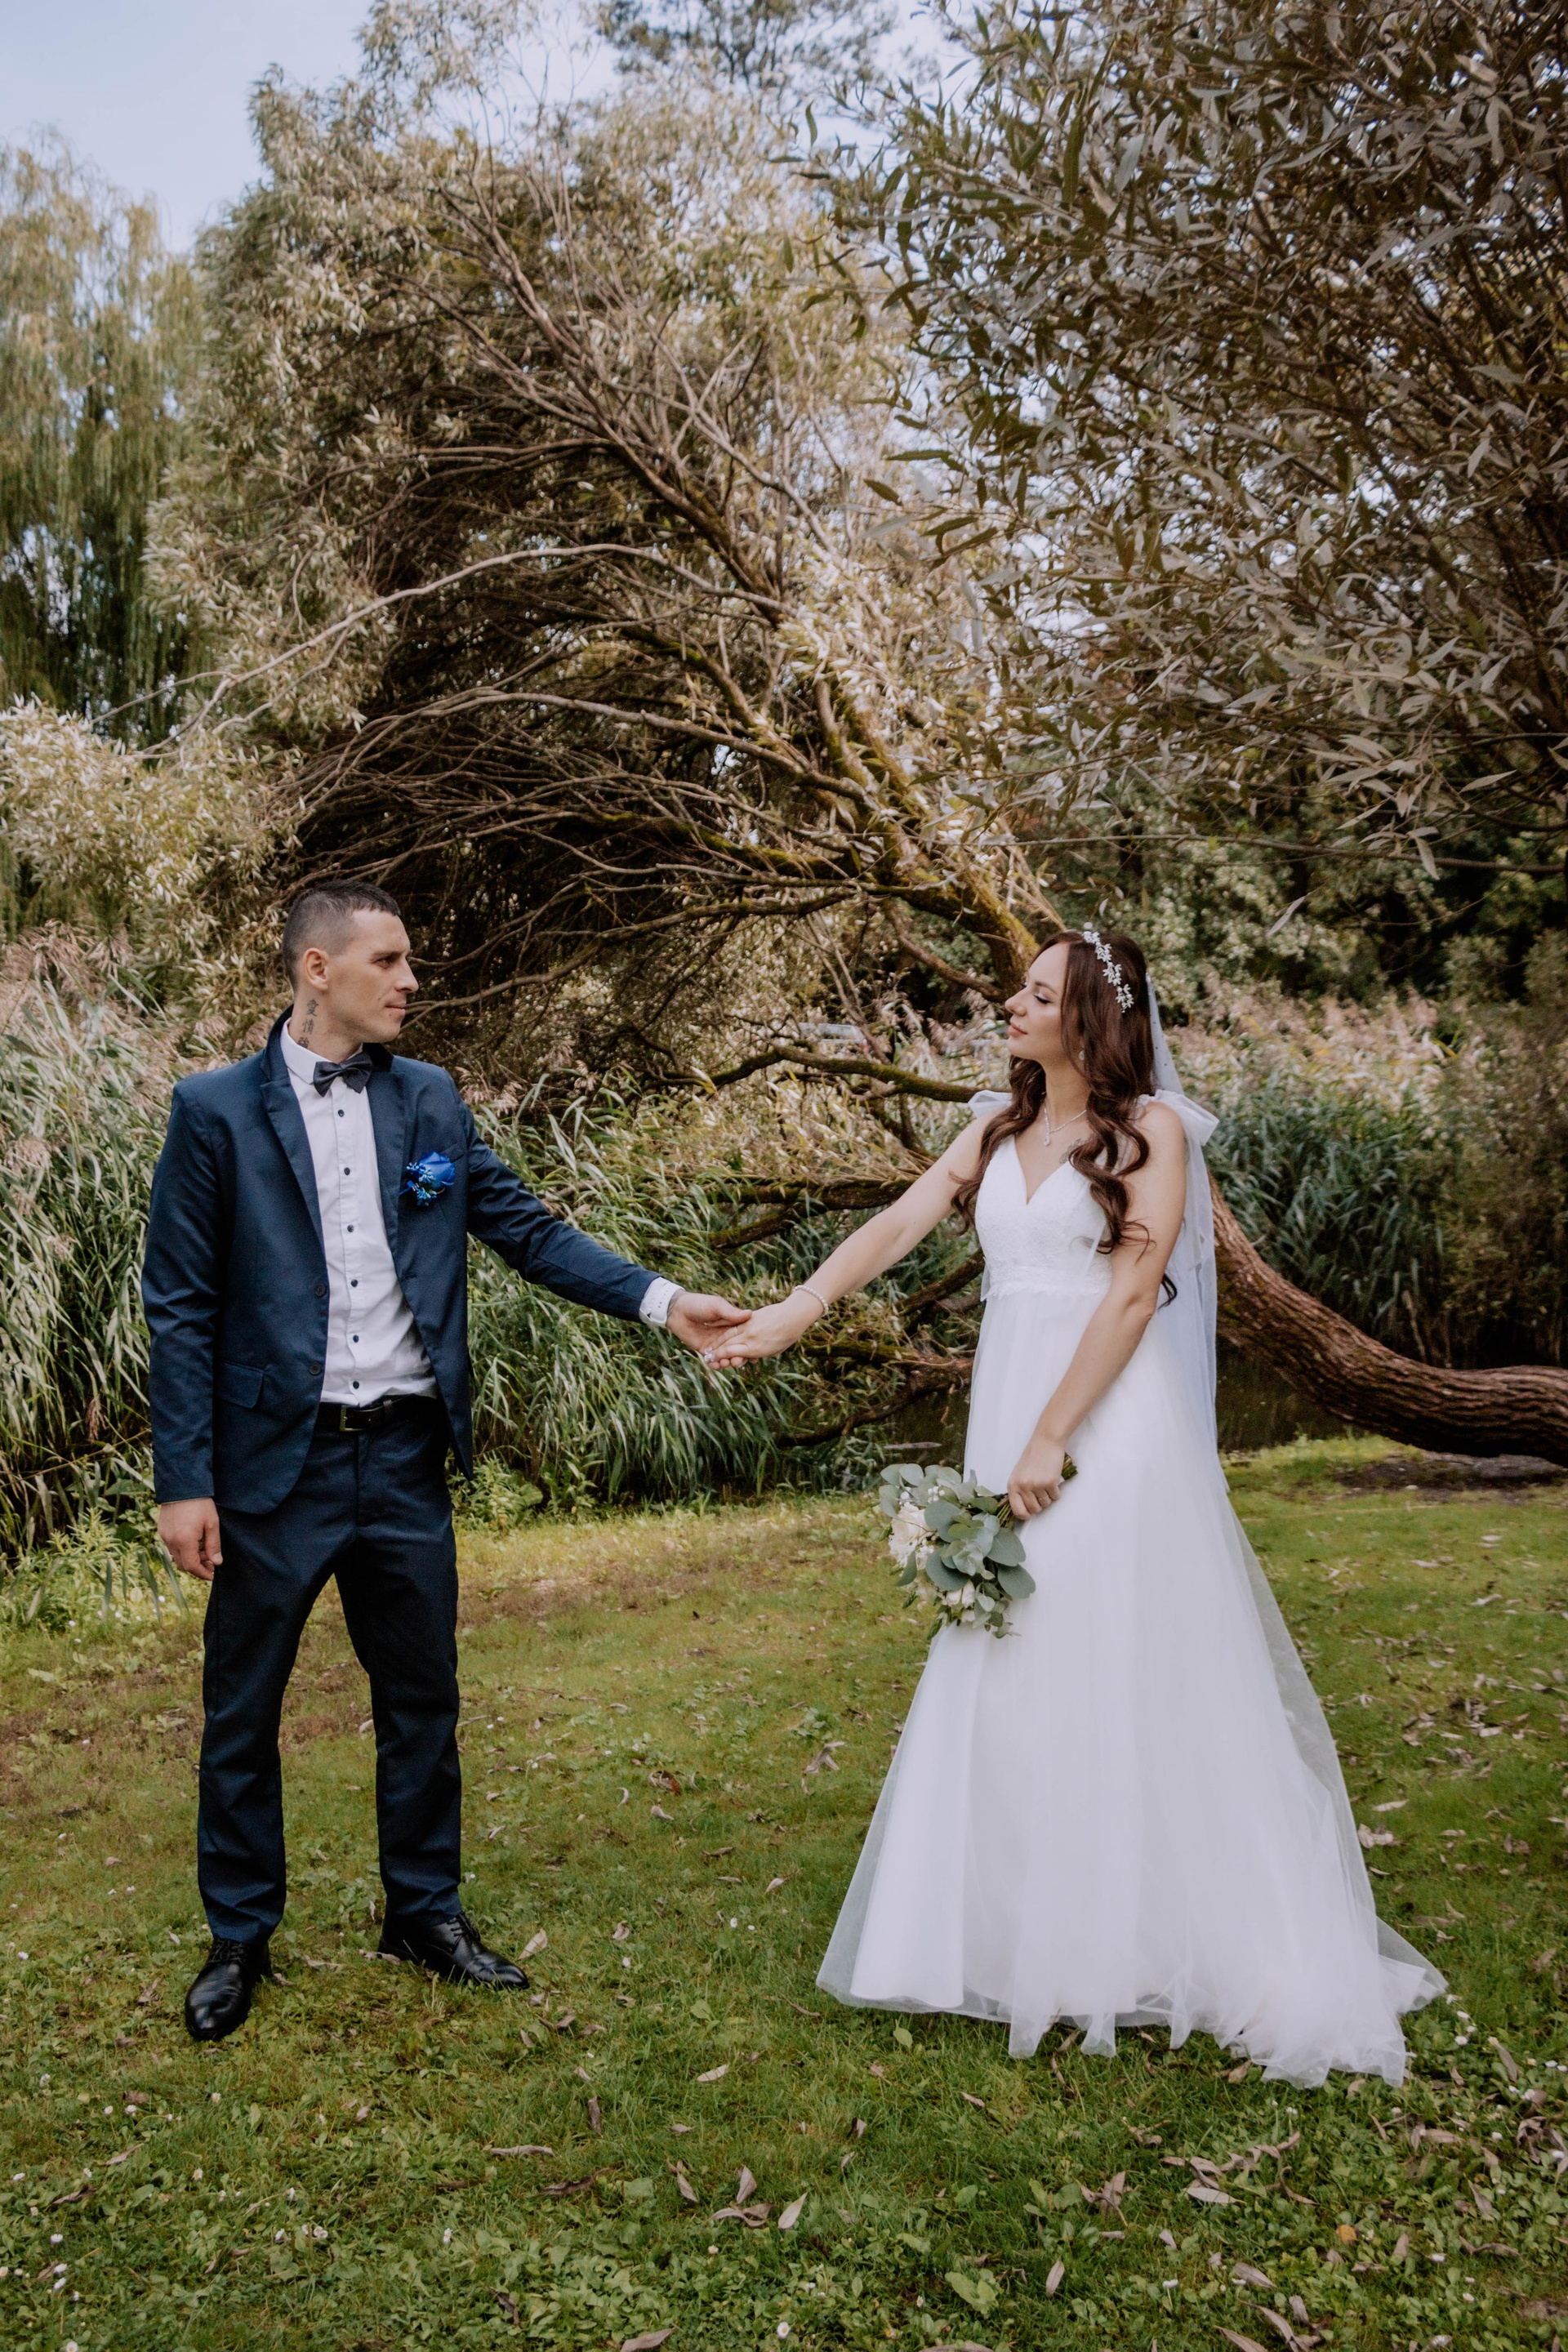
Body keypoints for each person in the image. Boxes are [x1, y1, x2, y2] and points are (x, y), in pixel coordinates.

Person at [708, 927, 1443, 2085]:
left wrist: (1052, 1436)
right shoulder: (997, 1129)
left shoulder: (1151, 1131)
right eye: (1020, 988)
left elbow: (1138, 1291)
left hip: (1106, 1422)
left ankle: (1146, 1937)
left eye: (1038, 993)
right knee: (1007, 1651)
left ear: (1091, 1016)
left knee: (1099, 1653)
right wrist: (792, 1313)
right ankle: (1013, 1931)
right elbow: (899, 1224)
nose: (1011, 1003)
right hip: (1012, 1409)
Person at [143, 880, 749, 2043]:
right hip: (273, 1467)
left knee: (423, 1699)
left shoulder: (428, 1097)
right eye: (389, 959)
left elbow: (524, 1228)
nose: (411, 980)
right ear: (318, 968)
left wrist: (663, 1302)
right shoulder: (212, 1110)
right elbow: (179, 1304)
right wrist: (185, 1479)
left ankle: (423, 1914)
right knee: (243, 1709)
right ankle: (239, 1937)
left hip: (404, 1459)